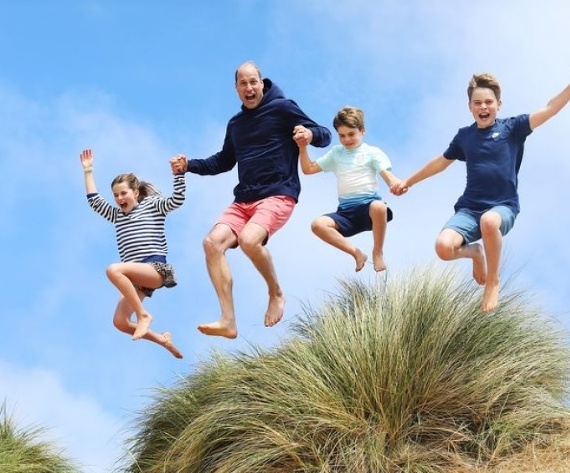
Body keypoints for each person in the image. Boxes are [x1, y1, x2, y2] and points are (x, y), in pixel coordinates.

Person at [391, 55, 570, 313]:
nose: (483, 107)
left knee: (489, 221)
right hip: (468, 209)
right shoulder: (464, 136)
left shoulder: (513, 128)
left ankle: (493, 281)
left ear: (499, 105)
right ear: (469, 107)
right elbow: (440, 163)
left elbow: (550, 108)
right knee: (443, 248)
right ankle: (476, 253)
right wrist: (408, 181)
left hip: (503, 206)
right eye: (477, 103)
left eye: (488, 102)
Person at [170, 61, 331, 339]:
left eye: (253, 82)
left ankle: (275, 293)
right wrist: (189, 166)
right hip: (244, 200)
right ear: (236, 89)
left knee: (248, 239)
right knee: (211, 243)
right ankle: (228, 320)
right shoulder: (236, 124)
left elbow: (325, 136)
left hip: (278, 193)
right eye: (243, 84)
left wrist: (309, 134)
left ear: (262, 82)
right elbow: (223, 161)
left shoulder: (282, 108)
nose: (249, 88)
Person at [80, 148, 185, 359]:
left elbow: (177, 201)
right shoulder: (116, 215)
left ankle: (143, 315)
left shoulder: (151, 205)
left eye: (124, 193)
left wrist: (179, 175)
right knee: (119, 321)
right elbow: (94, 201)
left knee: (113, 270)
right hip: (137, 279)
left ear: (135, 193)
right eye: (116, 195)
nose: (119, 198)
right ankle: (162, 340)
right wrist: (88, 171)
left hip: (155, 269)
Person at [296, 106, 400, 272]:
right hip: (346, 213)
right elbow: (308, 169)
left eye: (351, 134)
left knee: (379, 206)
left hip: (369, 210)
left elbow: (387, 175)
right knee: (317, 224)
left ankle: (378, 252)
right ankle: (356, 253)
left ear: (362, 131)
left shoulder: (372, 152)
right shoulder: (337, 153)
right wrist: (302, 147)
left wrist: (394, 184)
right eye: (342, 135)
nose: (346, 139)